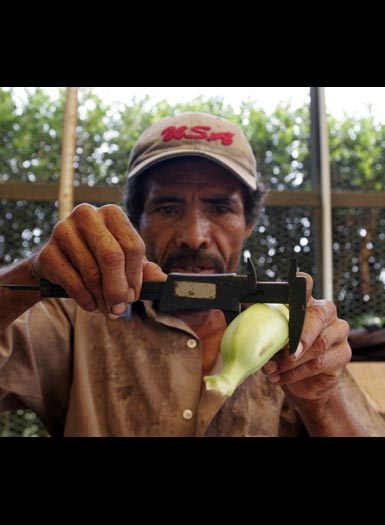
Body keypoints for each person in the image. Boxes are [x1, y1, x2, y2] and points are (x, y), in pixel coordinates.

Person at [0, 112, 384, 437]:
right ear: (136, 220)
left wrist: (323, 400)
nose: (194, 237)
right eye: (167, 208)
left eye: (219, 208)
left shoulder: (295, 333)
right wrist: (30, 275)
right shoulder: (74, 316)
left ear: (248, 221)